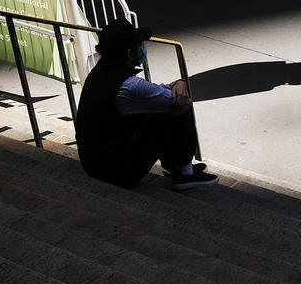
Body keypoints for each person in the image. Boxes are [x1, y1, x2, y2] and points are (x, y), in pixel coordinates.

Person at [75, 17, 218, 190]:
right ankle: (185, 173)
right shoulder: (129, 86)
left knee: (157, 108)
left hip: (93, 162)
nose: (143, 49)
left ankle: (176, 166)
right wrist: (181, 85)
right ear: (129, 53)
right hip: (116, 171)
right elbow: (180, 101)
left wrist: (178, 84)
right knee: (177, 108)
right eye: (139, 46)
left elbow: (154, 93)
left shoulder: (101, 71)